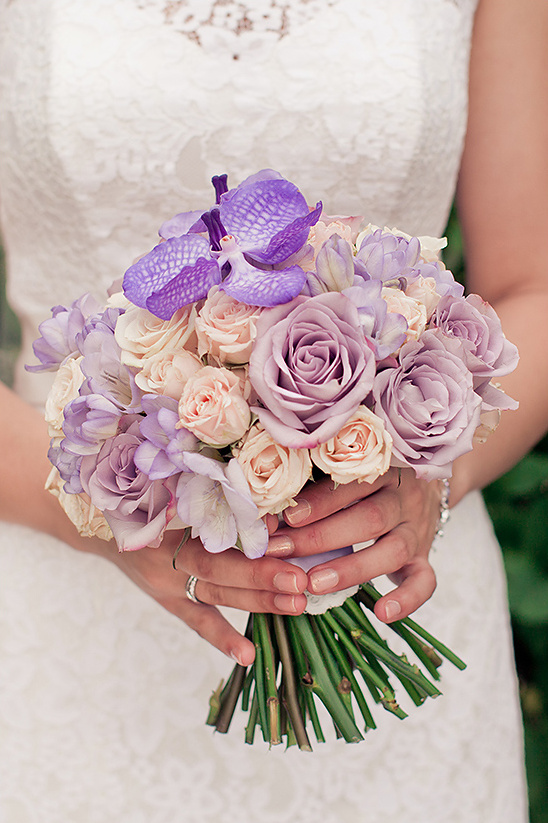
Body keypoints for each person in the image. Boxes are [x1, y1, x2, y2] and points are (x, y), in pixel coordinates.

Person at [0, 0, 546, 820]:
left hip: (391, 576)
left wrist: (430, 475)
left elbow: (532, 286)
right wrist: (98, 501)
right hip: (70, 618)